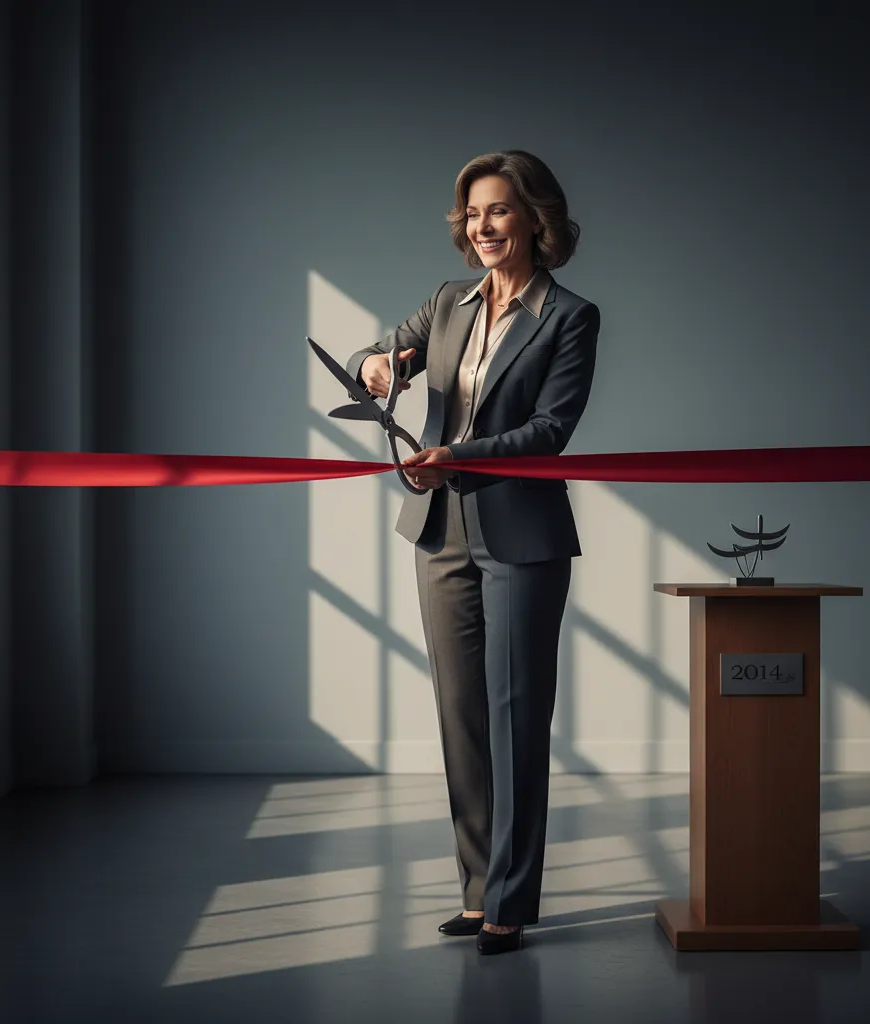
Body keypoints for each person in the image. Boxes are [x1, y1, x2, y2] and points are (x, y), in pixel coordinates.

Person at [345, 150, 600, 955]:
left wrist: (462, 453)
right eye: (473, 214)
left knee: (515, 716)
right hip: (438, 529)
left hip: (521, 533)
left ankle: (511, 900)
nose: (482, 227)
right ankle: (476, 888)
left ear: (534, 219)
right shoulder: (447, 304)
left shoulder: (569, 316)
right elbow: (371, 365)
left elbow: (551, 432)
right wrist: (376, 363)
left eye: (498, 211)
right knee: (462, 721)